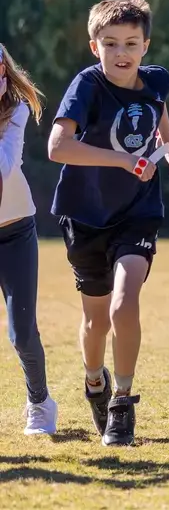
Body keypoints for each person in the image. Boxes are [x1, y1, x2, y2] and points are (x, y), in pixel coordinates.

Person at [47, 0, 169, 446]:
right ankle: (95, 381)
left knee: (124, 302)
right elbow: (57, 148)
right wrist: (122, 161)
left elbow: (159, 105)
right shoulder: (87, 86)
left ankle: (122, 403)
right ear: (95, 47)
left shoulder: (156, 80)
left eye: (131, 43)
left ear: (146, 45)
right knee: (96, 322)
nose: (121, 53)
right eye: (110, 43)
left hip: (138, 213)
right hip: (85, 217)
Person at [0, 44, 56, 435]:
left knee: (22, 333)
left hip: (15, 232)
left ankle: (39, 401)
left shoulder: (16, 112)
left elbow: (5, 168)